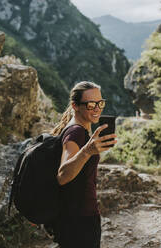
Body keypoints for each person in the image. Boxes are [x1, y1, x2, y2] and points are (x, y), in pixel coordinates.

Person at [50, 81, 117, 248]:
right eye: (91, 104)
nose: (97, 108)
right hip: (80, 219)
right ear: (75, 106)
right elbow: (62, 176)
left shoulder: (78, 130)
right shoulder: (76, 132)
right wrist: (87, 150)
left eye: (100, 103)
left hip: (73, 216)